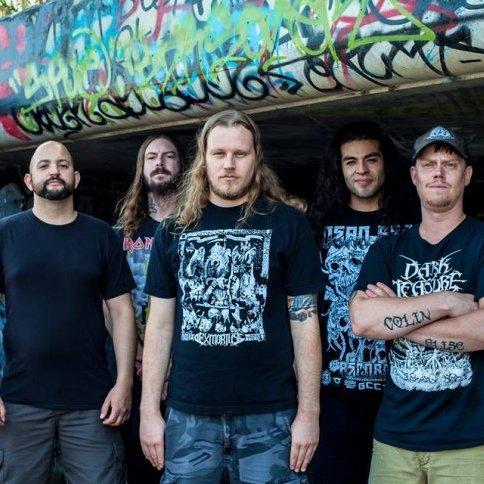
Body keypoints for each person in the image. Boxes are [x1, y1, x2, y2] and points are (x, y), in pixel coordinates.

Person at [139, 109, 323, 483]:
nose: (229, 164)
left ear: (256, 157)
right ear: (203, 160)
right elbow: (158, 326)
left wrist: (309, 413)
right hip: (189, 413)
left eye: (239, 154)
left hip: (270, 413)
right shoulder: (173, 230)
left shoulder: (288, 223)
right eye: (219, 154)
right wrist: (149, 411)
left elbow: (304, 321)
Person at [350, 126, 484, 482]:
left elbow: (482, 330)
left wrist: (396, 318)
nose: (438, 173)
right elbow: (362, 320)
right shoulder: (387, 249)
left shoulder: (481, 242)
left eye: (449, 164)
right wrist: (445, 301)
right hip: (394, 438)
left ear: (467, 175)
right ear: (414, 175)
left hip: (468, 442)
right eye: (428, 164)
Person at [0, 141, 137, 483]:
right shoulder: (5, 234)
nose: (54, 171)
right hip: (19, 401)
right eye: (44, 165)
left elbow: (121, 312)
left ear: (76, 178)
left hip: (92, 402)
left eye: (63, 165)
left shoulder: (101, 236)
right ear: (29, 181)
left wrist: (123, 383)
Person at [308, 121, 415, 483]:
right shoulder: (318, 225)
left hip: (401, 396)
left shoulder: (413, 223)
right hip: (332, 396)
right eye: (351, 161)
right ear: (338, 168)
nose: (362, 170)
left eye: (371, 159)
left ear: (386, 164)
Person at [115, 133, 184, 483]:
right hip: (137, 366)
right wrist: (139, 353)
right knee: (142, 463)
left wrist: (173, 358)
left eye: (169, 156)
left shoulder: (197, 225)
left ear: (182, 167)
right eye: (152, 157)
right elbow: (110, 302)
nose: (160, 163)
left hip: (189, 367)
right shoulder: (122, 232)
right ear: (141, 169)